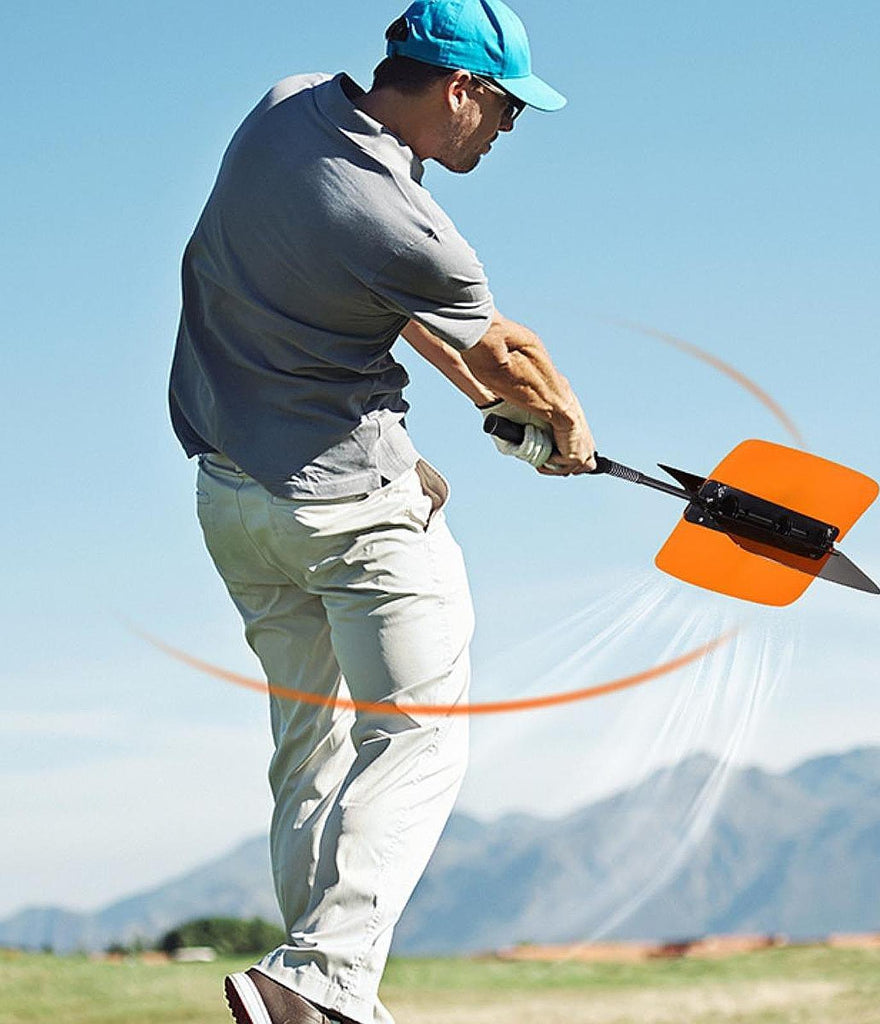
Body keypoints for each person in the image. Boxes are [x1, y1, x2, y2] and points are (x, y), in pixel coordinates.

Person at [168, 2, 595, 1022]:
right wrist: (569, 427)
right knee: (419, 733)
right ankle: (319, 980)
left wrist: (460, 414)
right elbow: (506, 353)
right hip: (347, 511)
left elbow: (388, 304)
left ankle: (313, 992)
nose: (507, 131)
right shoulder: (416, 229)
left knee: (308, 748)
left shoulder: (283, 111)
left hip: (231, 496)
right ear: (461, 90)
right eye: (507, 110)